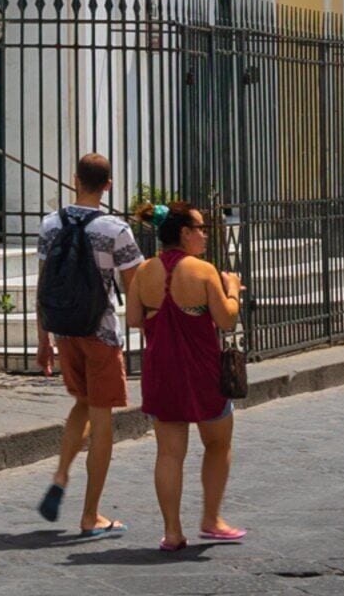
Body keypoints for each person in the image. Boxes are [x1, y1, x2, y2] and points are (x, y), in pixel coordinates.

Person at [33, 151, 142, 540]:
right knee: (102, 422)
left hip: (65, 330)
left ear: (74, 179)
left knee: (81, 403)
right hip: (101, 331)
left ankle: (61, 474)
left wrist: (43, 338)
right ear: (108, 185)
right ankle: (90, 515)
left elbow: (43, 284)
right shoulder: (116, 230)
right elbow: (135, 290)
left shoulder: (50, 224)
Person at [127, 202, 247, 551]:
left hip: (161, 370)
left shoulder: (143, 271)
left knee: (168, 453)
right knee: (218, 442)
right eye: (200, 228)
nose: (205, 233)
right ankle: (212, 519)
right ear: (184, 233)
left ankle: (172, 531)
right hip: (202, 371)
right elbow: (226, 319)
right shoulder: (204, 270)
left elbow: (134, 318)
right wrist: (233, 290)